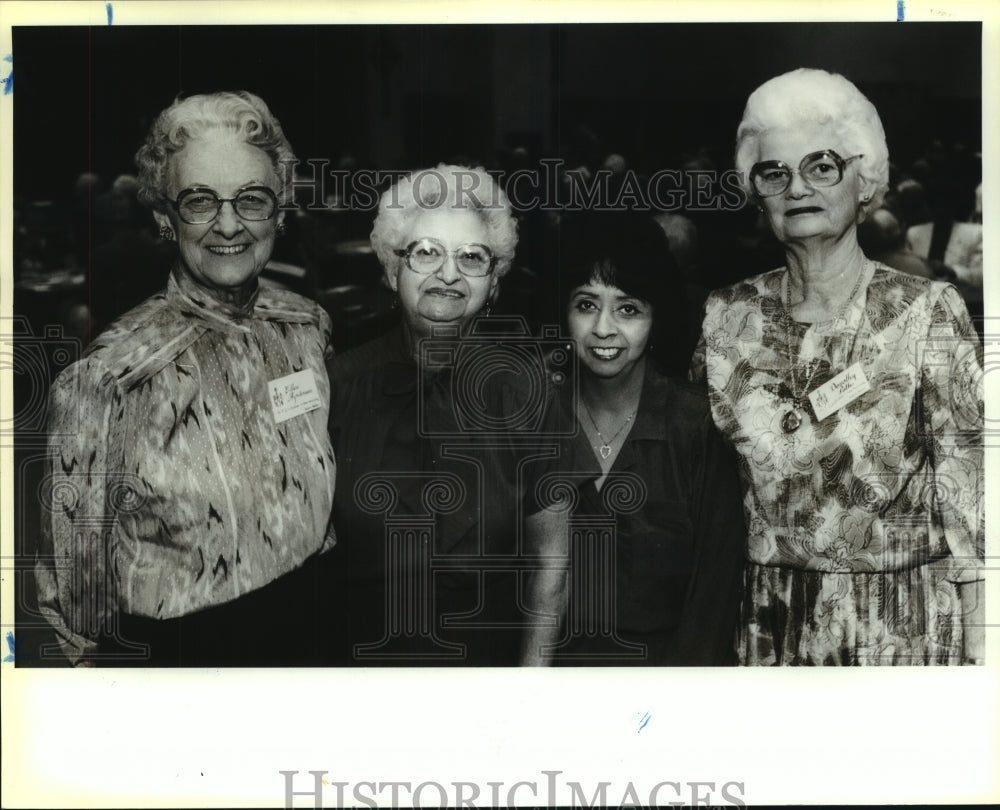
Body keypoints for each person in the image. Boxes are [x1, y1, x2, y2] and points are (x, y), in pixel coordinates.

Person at [691, 68, 984, 665]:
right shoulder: (725, 319)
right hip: (768, 621)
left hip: (903, 626)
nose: (797, 187)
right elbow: (708, 492)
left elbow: (976, 506)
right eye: (775, 173)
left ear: (865, 179)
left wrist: (986, 656)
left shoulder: (927, 312)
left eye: (821, 166)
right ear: (757, 192)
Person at [35, 91, 336, 666]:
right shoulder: (107, 380)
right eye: (199, 200)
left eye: (252, 198)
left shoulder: (308, 326)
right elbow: (78, 603)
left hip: (315, 631)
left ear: (280, 208)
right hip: (186, 658)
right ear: (163, 215)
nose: (229, 225)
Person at [326, 164, 534, 665]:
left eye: (471, 257)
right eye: (425, 253)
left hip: (491, 673)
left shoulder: (531, 394)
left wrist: (534, 685)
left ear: (495, 280)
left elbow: (555, 560)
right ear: (389, 268)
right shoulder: (334, 389)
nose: (448, 274)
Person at [521, 214, 745, 666]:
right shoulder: (534, 417)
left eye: (628, 309)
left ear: (656, 315)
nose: (604, 329)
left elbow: (714, 598)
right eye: (586, 305)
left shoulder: (696, 425)